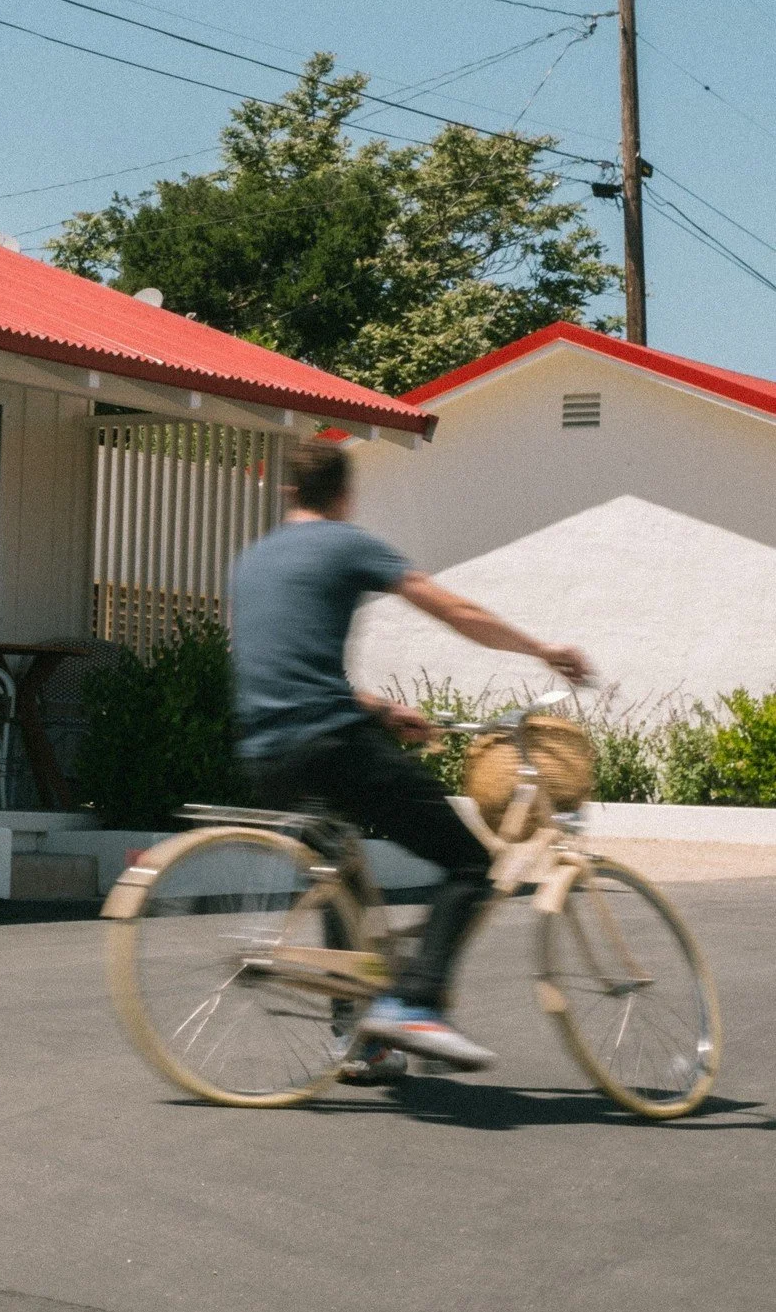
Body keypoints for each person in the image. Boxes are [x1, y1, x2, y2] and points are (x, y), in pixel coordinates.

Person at [230, 436, 591, 1079]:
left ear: (289, 491)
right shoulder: (346, 543)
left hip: (266, 753)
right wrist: (543, 651)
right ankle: (415, 1006)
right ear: (345, 495)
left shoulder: (252, 560)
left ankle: (358, 1040)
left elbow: (275, 667)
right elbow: (455, 610)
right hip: (331, 744)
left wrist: (379, 709)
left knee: (340, 876)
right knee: (469, 862)